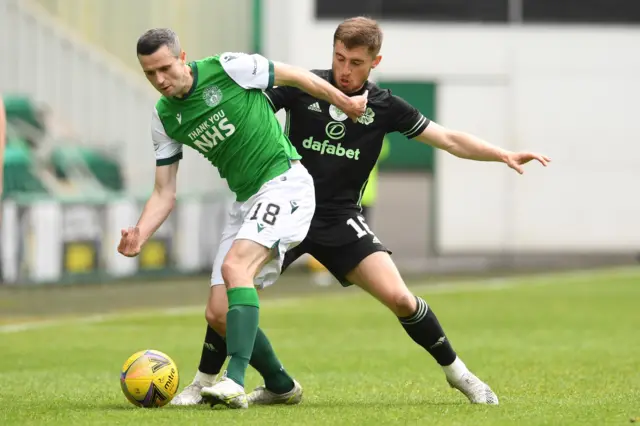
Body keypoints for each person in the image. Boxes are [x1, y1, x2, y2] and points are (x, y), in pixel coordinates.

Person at [174, 17, 551, 407]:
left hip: (339, 219)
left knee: (401, 299)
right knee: (227, 299)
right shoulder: (305, 87)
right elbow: (248, 111)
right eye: (339, 58)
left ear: (375, 62)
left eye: (356, 62)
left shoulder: (386, 106)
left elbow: (450, 139)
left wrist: (501, 153)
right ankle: (231, 382)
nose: (345, 70)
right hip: (285, 208)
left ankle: (460, 375)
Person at [117, 28, 368, 410]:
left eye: (165, 68)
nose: (160, 80)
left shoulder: (229, 68)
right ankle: (281, 385)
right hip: (245, 201)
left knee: (237, 268)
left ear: (183, 57)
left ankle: (233, 380)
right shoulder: (164, 117)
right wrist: (141, 232)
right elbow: (164, 192)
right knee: (218, 314)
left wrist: (345, 103)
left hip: (284, 183)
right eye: (150, 74)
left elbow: (297, 76)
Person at [307, 136, 389, 286]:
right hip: (348, 196)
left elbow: (383, 151)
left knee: (358, 238)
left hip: (363, 196)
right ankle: (324, 269)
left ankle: (355, 272)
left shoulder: (372, 133)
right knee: (327, 231)